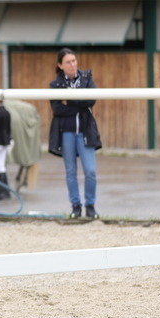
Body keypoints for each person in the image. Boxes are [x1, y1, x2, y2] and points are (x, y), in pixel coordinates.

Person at [49, 48, 102, 219]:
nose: (72, 65)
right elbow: (57, 109)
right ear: (60, 65)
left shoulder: (87, 78)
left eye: (74, 60)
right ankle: (75, 206)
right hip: (67, 133)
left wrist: (69, 101)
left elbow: (91, 100)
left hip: (85, 131)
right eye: (68, 62)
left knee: (90, 171)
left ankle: (90, 205)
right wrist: (80, 103)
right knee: (71, 171)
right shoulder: (55, 85)